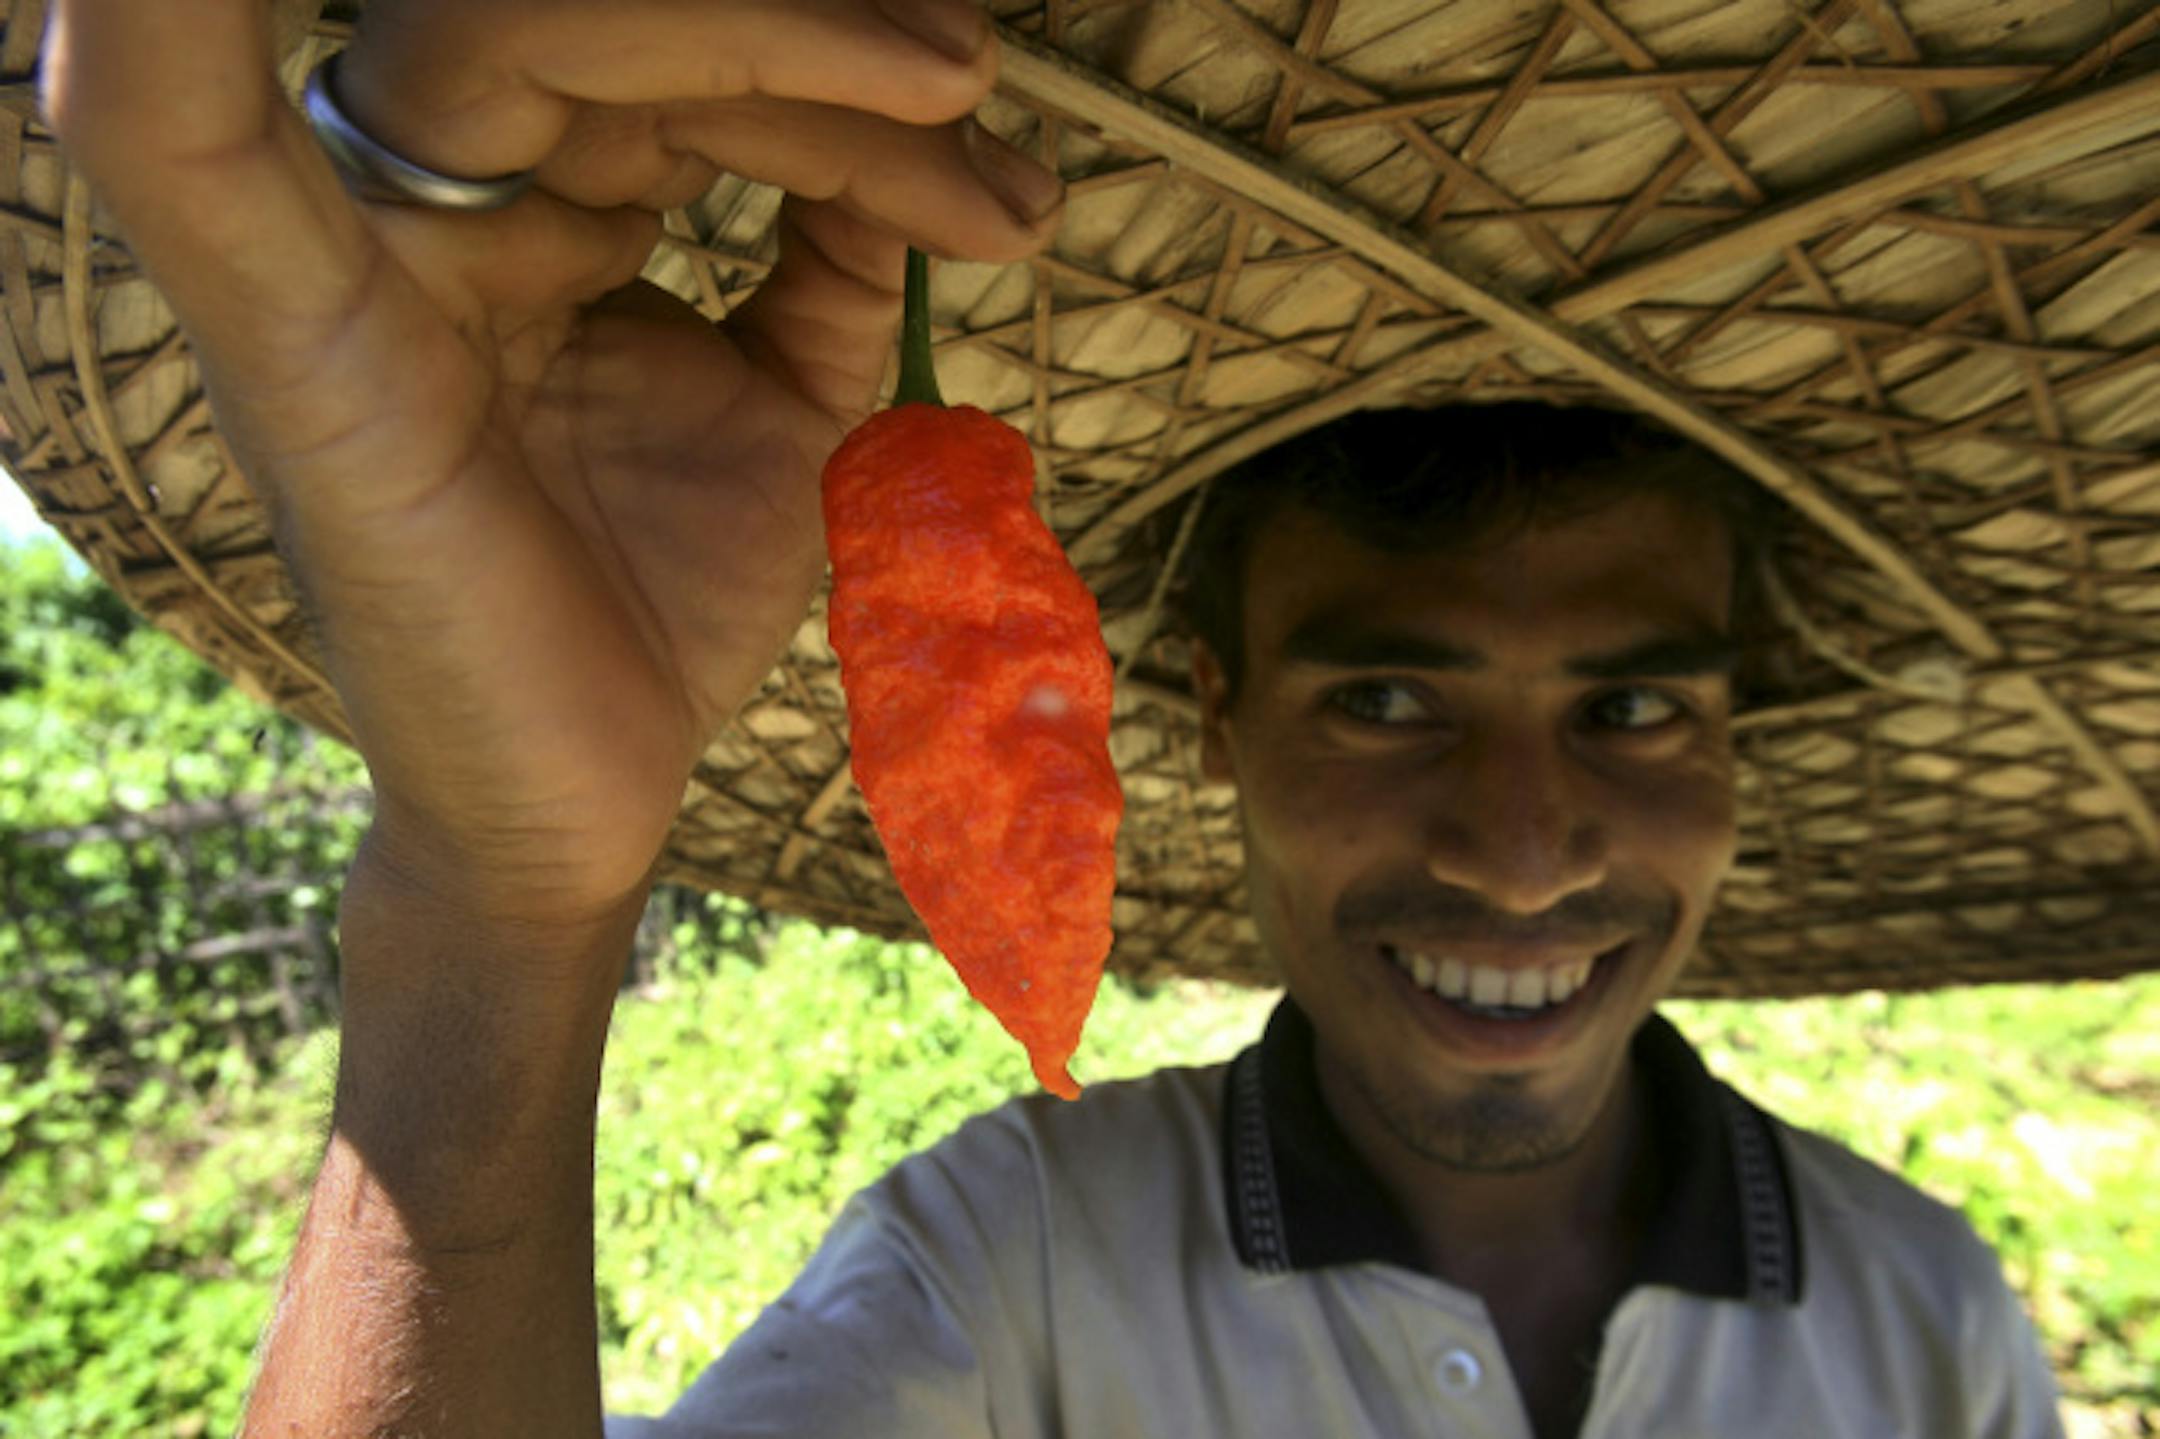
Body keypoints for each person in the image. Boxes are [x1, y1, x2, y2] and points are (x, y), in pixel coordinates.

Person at [44, 3, 2062, 1437]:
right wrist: (499, 890)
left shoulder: (1929, 1320)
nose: (1521, 848)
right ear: (1201, 716)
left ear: (1738, 743)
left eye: (1631, 704)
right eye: (1383, 693)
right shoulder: (994, 1280)